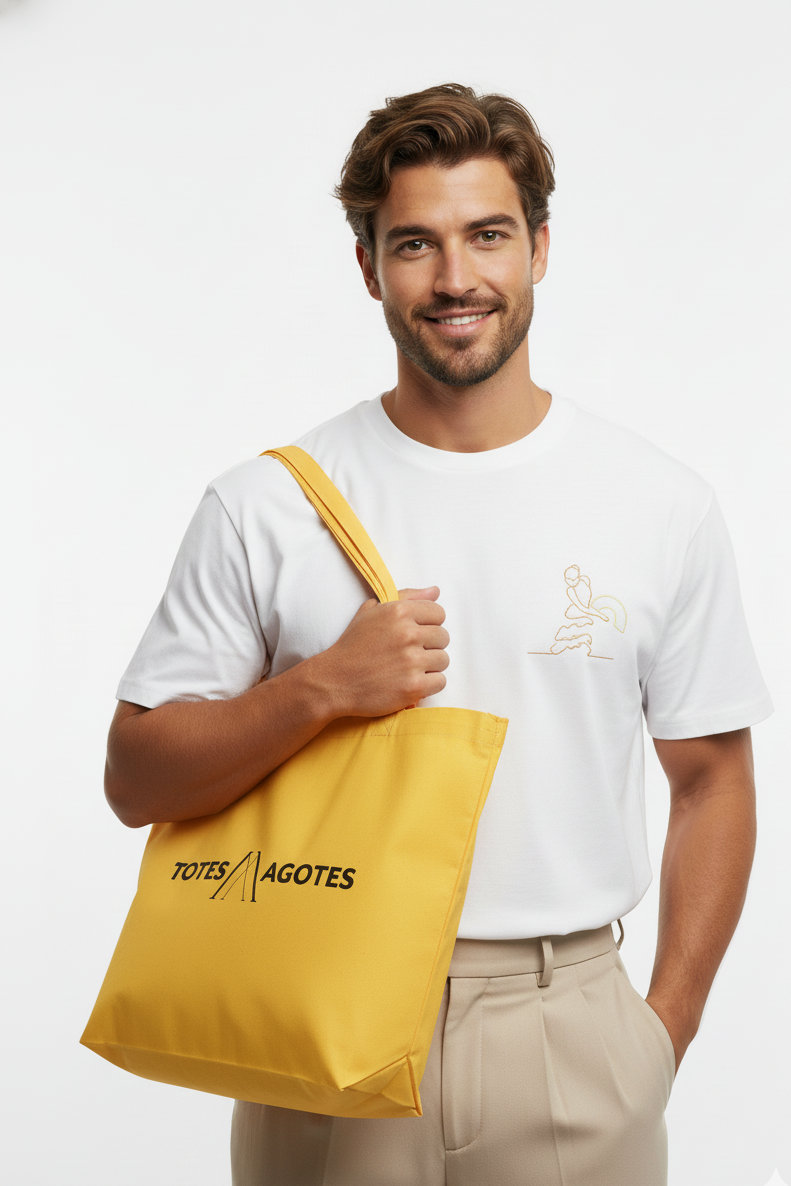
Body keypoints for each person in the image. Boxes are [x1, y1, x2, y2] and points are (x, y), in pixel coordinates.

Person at [104, 84, 772, 1186]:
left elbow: (709, 779)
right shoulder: (265, 505)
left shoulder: (657, 502)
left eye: (486, 236)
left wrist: (660, 1033)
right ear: (367, 265)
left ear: (540, 248)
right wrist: (317, 689)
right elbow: (135, 778)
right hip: (323, 1014)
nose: (454, 278)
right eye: (413, 243)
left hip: (568, 1028)